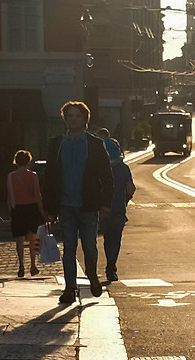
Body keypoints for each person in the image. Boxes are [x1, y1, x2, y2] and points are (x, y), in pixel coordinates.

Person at [41, 100, 123, 302]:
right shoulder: (57, 144)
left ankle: (92, 275)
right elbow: (50, 176)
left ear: (85, 119)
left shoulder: (94, 144)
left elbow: (106, 176)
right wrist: (49, 207)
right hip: (65, 205)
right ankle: (70, 288)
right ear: (65, 119)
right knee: (69, 247)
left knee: (89, 245)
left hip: (88, 205)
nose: (73, 119)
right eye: (70, 116)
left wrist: (106, 203)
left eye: (77, 116)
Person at [101, 139, 138, 285]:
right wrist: (126, 199)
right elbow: (130, 189)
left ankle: (108, 265)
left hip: (103, 209)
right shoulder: (123, 168)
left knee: (107, 239)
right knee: (116, 240)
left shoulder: (99, 168)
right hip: (118, 208)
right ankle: (111, 268)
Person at [6, 150, 44, 278]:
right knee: (33, 237)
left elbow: (10, 195)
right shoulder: (33, 175)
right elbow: (37, 195)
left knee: (19, 239)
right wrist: (42, 210)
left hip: (18, 208)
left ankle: (21, 265)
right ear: (29, 161)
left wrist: (12, 210)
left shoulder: (11, 176)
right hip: (32, 208)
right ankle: (33, 264)